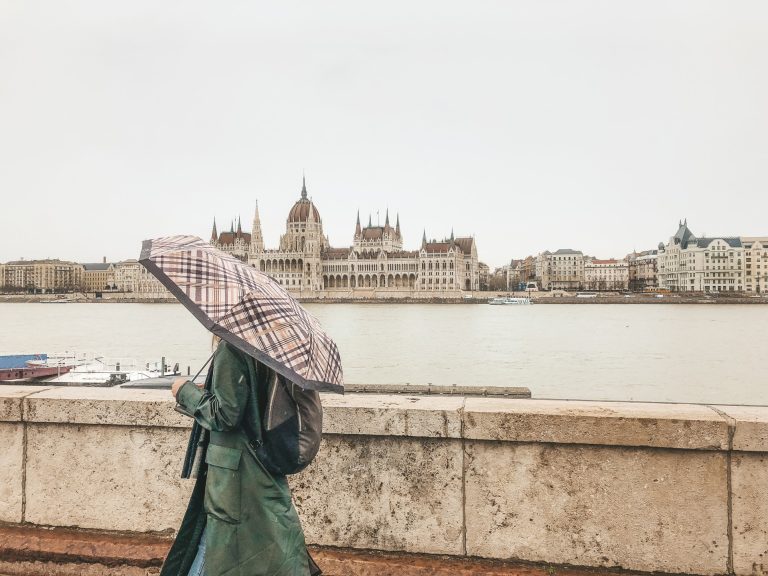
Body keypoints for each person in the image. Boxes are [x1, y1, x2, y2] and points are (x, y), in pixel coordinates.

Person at [159, 338, 320, 576]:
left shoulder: (233, 346)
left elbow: (224, 415)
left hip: (233, 472)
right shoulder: (272, 345)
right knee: (266, 545)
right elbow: (251, 400)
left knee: (214, 547)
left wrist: (184, 391)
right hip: (260, 463)